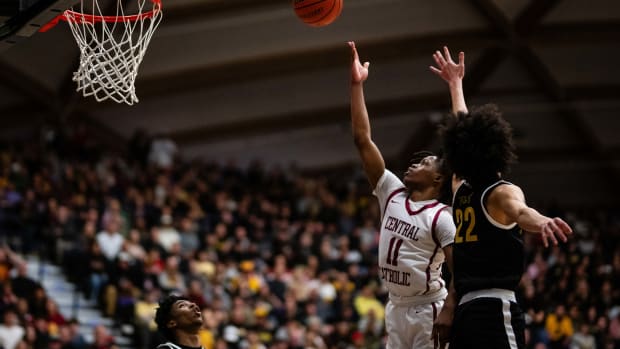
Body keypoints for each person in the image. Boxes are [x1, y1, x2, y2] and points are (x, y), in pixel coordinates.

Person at [429, 46, 573, 348]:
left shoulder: (459, 189)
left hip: (465, 310)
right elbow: (522, 212)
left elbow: (463, 130)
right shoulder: (502, 192)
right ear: (499, 150)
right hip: (496, 309)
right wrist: (544, 220)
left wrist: (455, 86)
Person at [348, 41, 456, 349]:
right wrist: (356, 86)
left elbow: (461, 270)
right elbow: (362, 139)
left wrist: (449, 310)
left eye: (424, 162)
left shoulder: (441, 217)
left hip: (429, 308)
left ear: (438, 178)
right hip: (395, 307)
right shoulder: (391, 191)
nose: (413, 163)